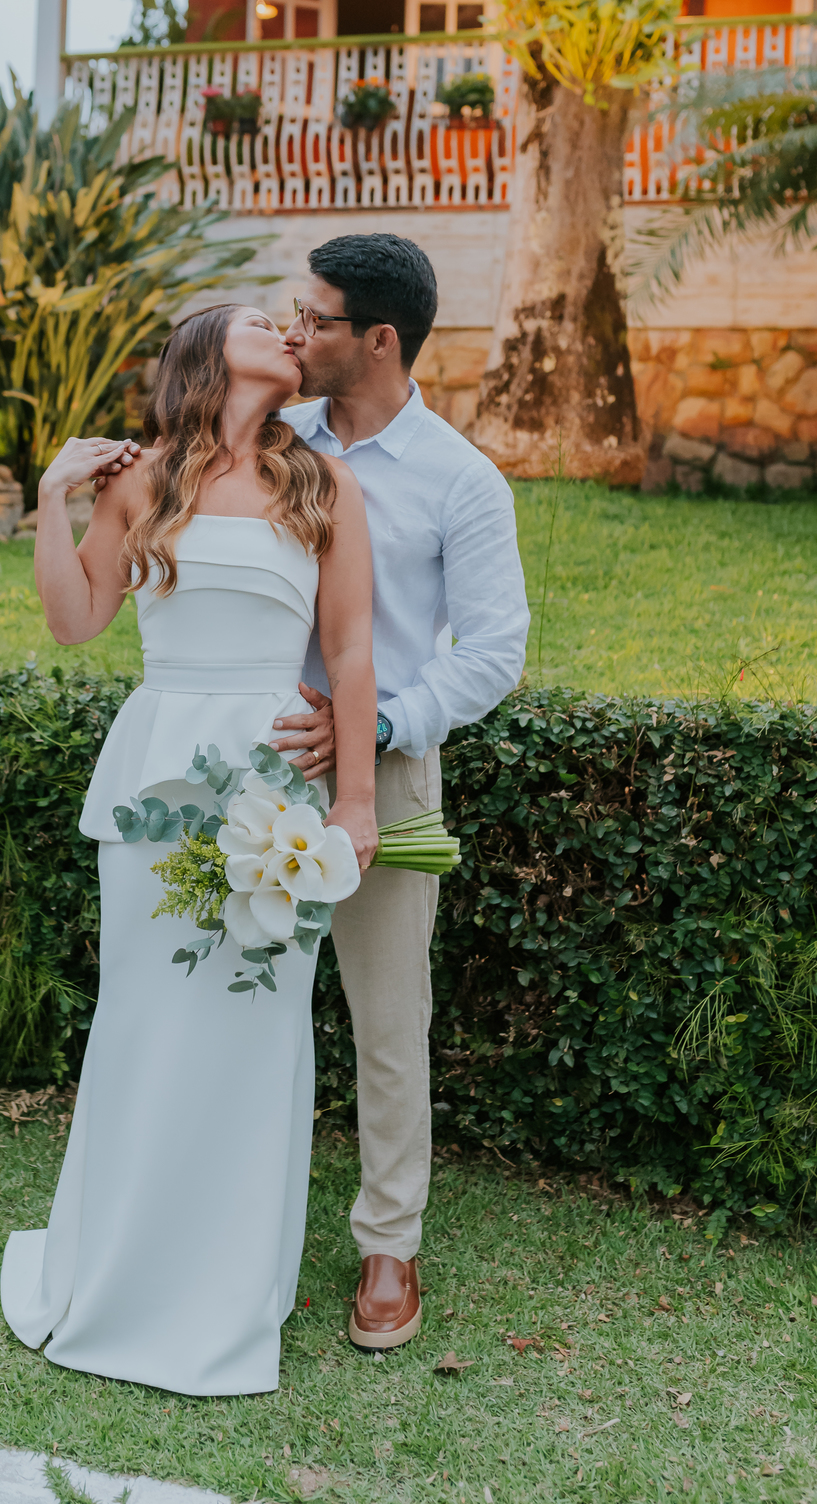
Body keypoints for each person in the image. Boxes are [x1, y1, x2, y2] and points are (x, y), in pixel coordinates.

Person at [0, 302, 378, 1397]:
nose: (289, 331)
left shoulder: (321, 483)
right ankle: (118, 1273)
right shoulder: (144, 477)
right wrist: (53, 498)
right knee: (148, 1024)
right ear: (209, 355)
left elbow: (350, 651)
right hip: (159, 775)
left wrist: (355, 806)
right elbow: (77, 622)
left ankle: (227, 1293)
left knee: (257, 1038)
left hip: (274, 790)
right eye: (264, 320)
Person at [268, 232, 529, 1351]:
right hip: (262, 753)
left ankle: (389, 1247)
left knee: (387, 1022)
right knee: (245, 1006)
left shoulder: (460, 480)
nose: (297, 330)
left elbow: (494, 652)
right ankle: (239, 1222)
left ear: (378, 339)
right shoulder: (272, 446)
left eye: (317, 318)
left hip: (389, 771)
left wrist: (372, 727)